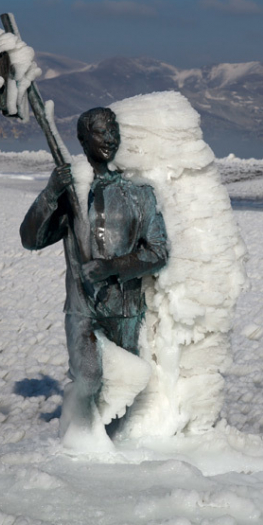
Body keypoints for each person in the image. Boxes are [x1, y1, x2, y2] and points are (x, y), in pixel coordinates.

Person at [20, 107, 168, 446]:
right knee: (87, 379)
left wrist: (113, 267)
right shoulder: (74, 196)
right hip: (82, 309)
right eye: (102, 132)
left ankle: (113, 455)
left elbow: (159, 252)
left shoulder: (138, 195)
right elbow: (31, 239)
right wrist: (50, 193)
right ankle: (82, 447)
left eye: (114, 131)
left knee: (122, 389)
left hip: (125, 311)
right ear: (84, 140)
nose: (111, 138)